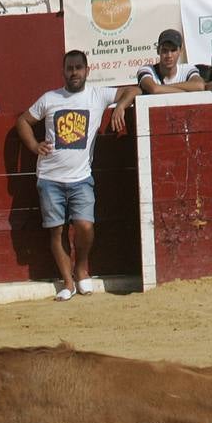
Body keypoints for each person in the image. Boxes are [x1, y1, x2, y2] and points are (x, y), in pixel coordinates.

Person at [16, 50, 136, 301]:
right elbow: (23, 121)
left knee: (85, 226)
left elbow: (134, 89)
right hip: (50, 177)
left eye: (78, 68)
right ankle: (68, 282)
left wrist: (119, 107)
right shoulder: (50, 98)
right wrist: (33, 146)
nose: (74, 73)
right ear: (63, 71)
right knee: (56, 231)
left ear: (87, 71)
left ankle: (81, 267)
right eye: (69, 68)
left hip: (81, 178)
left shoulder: (98, 95)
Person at [136, 29, 205, 94]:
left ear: (181, 50)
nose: (169, 55)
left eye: (173, 50)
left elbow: (200, 85)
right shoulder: (147, 69)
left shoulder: (187, 69)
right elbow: (154, 89)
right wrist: (186, 92)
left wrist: (162, 88)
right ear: (158, 50)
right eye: (165, 50)